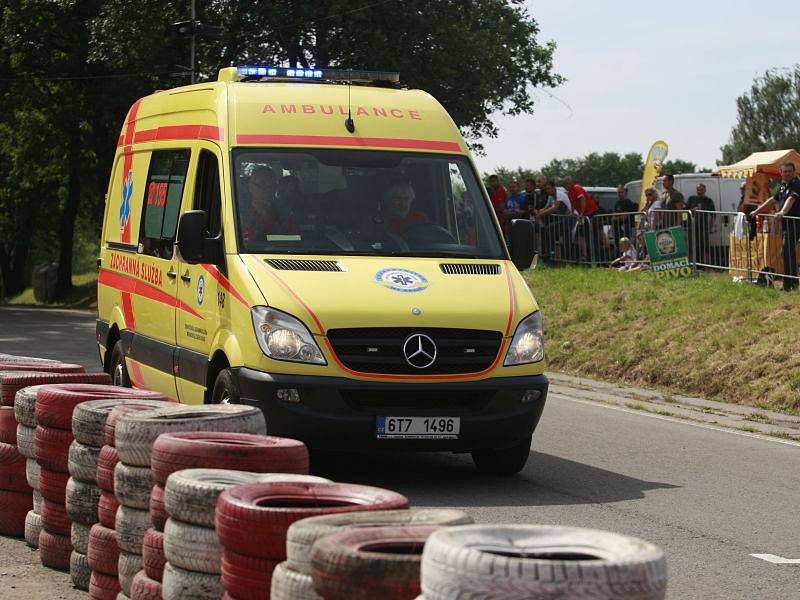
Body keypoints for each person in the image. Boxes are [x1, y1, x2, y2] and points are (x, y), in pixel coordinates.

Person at [749, 161, 800, 291]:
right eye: (785, 171)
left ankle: (791, 284)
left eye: (790, 171)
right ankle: (790, 284)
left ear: (794, 172)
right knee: (787, 253)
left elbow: (791, 199)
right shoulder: (783, 186)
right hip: (785, 224)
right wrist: (757, 211)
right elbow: (773, 200)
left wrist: (782, 212)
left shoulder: (797, 184)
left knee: (788, 253)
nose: (788, 173)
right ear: (781, 173)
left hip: (794, 224)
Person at [241, 166, 297, 241]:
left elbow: (294, 239)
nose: (267, 190)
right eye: (262, 185)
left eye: (271, 185)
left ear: (276, 188)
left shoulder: (285, 212)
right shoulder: (236, 210)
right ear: (250, 187)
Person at [536, 180, 574, 262]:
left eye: (549, 189)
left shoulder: (559, 194)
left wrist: (541, 214)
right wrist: (539, 212)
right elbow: (546, 207)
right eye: (546, 189)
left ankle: (552, 253)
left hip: (570, 219)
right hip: (563, 219)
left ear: (554, 187)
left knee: (550, 229)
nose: (547, 191)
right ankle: (557, 257)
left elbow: (555, 208)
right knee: (561, 237)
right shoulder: (550, 196)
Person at [563, 176, 599, 261]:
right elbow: (573, 203)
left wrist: (581, 213)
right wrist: (572, 212)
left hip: (591, 213)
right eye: (564, 184)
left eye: (565, 184)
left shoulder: (576, 188)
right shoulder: (569, 193)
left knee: (592, 234)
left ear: (570, 183)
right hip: (583, 216)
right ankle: (585, 255)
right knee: (579, 234)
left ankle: (596, 254)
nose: (564, 186)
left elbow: (582, 199)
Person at [686, 183, 716, 266]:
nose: (699, 191)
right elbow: (685, 212)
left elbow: (713, 214)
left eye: (701, 189)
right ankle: (691, 265)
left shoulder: (708, 200)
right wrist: (692, 210)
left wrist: (712, 226)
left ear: (705, 190)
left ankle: (707, 266)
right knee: (690, 247)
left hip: (703, 228)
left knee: (705, 248)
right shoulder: (691, 199)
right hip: (691, 227)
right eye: (698, 189)